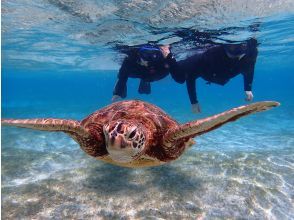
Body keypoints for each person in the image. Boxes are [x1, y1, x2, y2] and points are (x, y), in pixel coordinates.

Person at [168, 38, 258, 113]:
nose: (235, 52)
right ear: (224, 46)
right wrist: (194, 102)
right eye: (231, 47)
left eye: (239, 48)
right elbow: (190, 77)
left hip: (220, 74)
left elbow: (250, 69)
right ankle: (167, 55)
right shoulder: (210, 56)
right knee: (180, 78)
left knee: (246, 64)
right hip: (201, 68)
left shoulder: (249, 54)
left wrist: (248, 89)